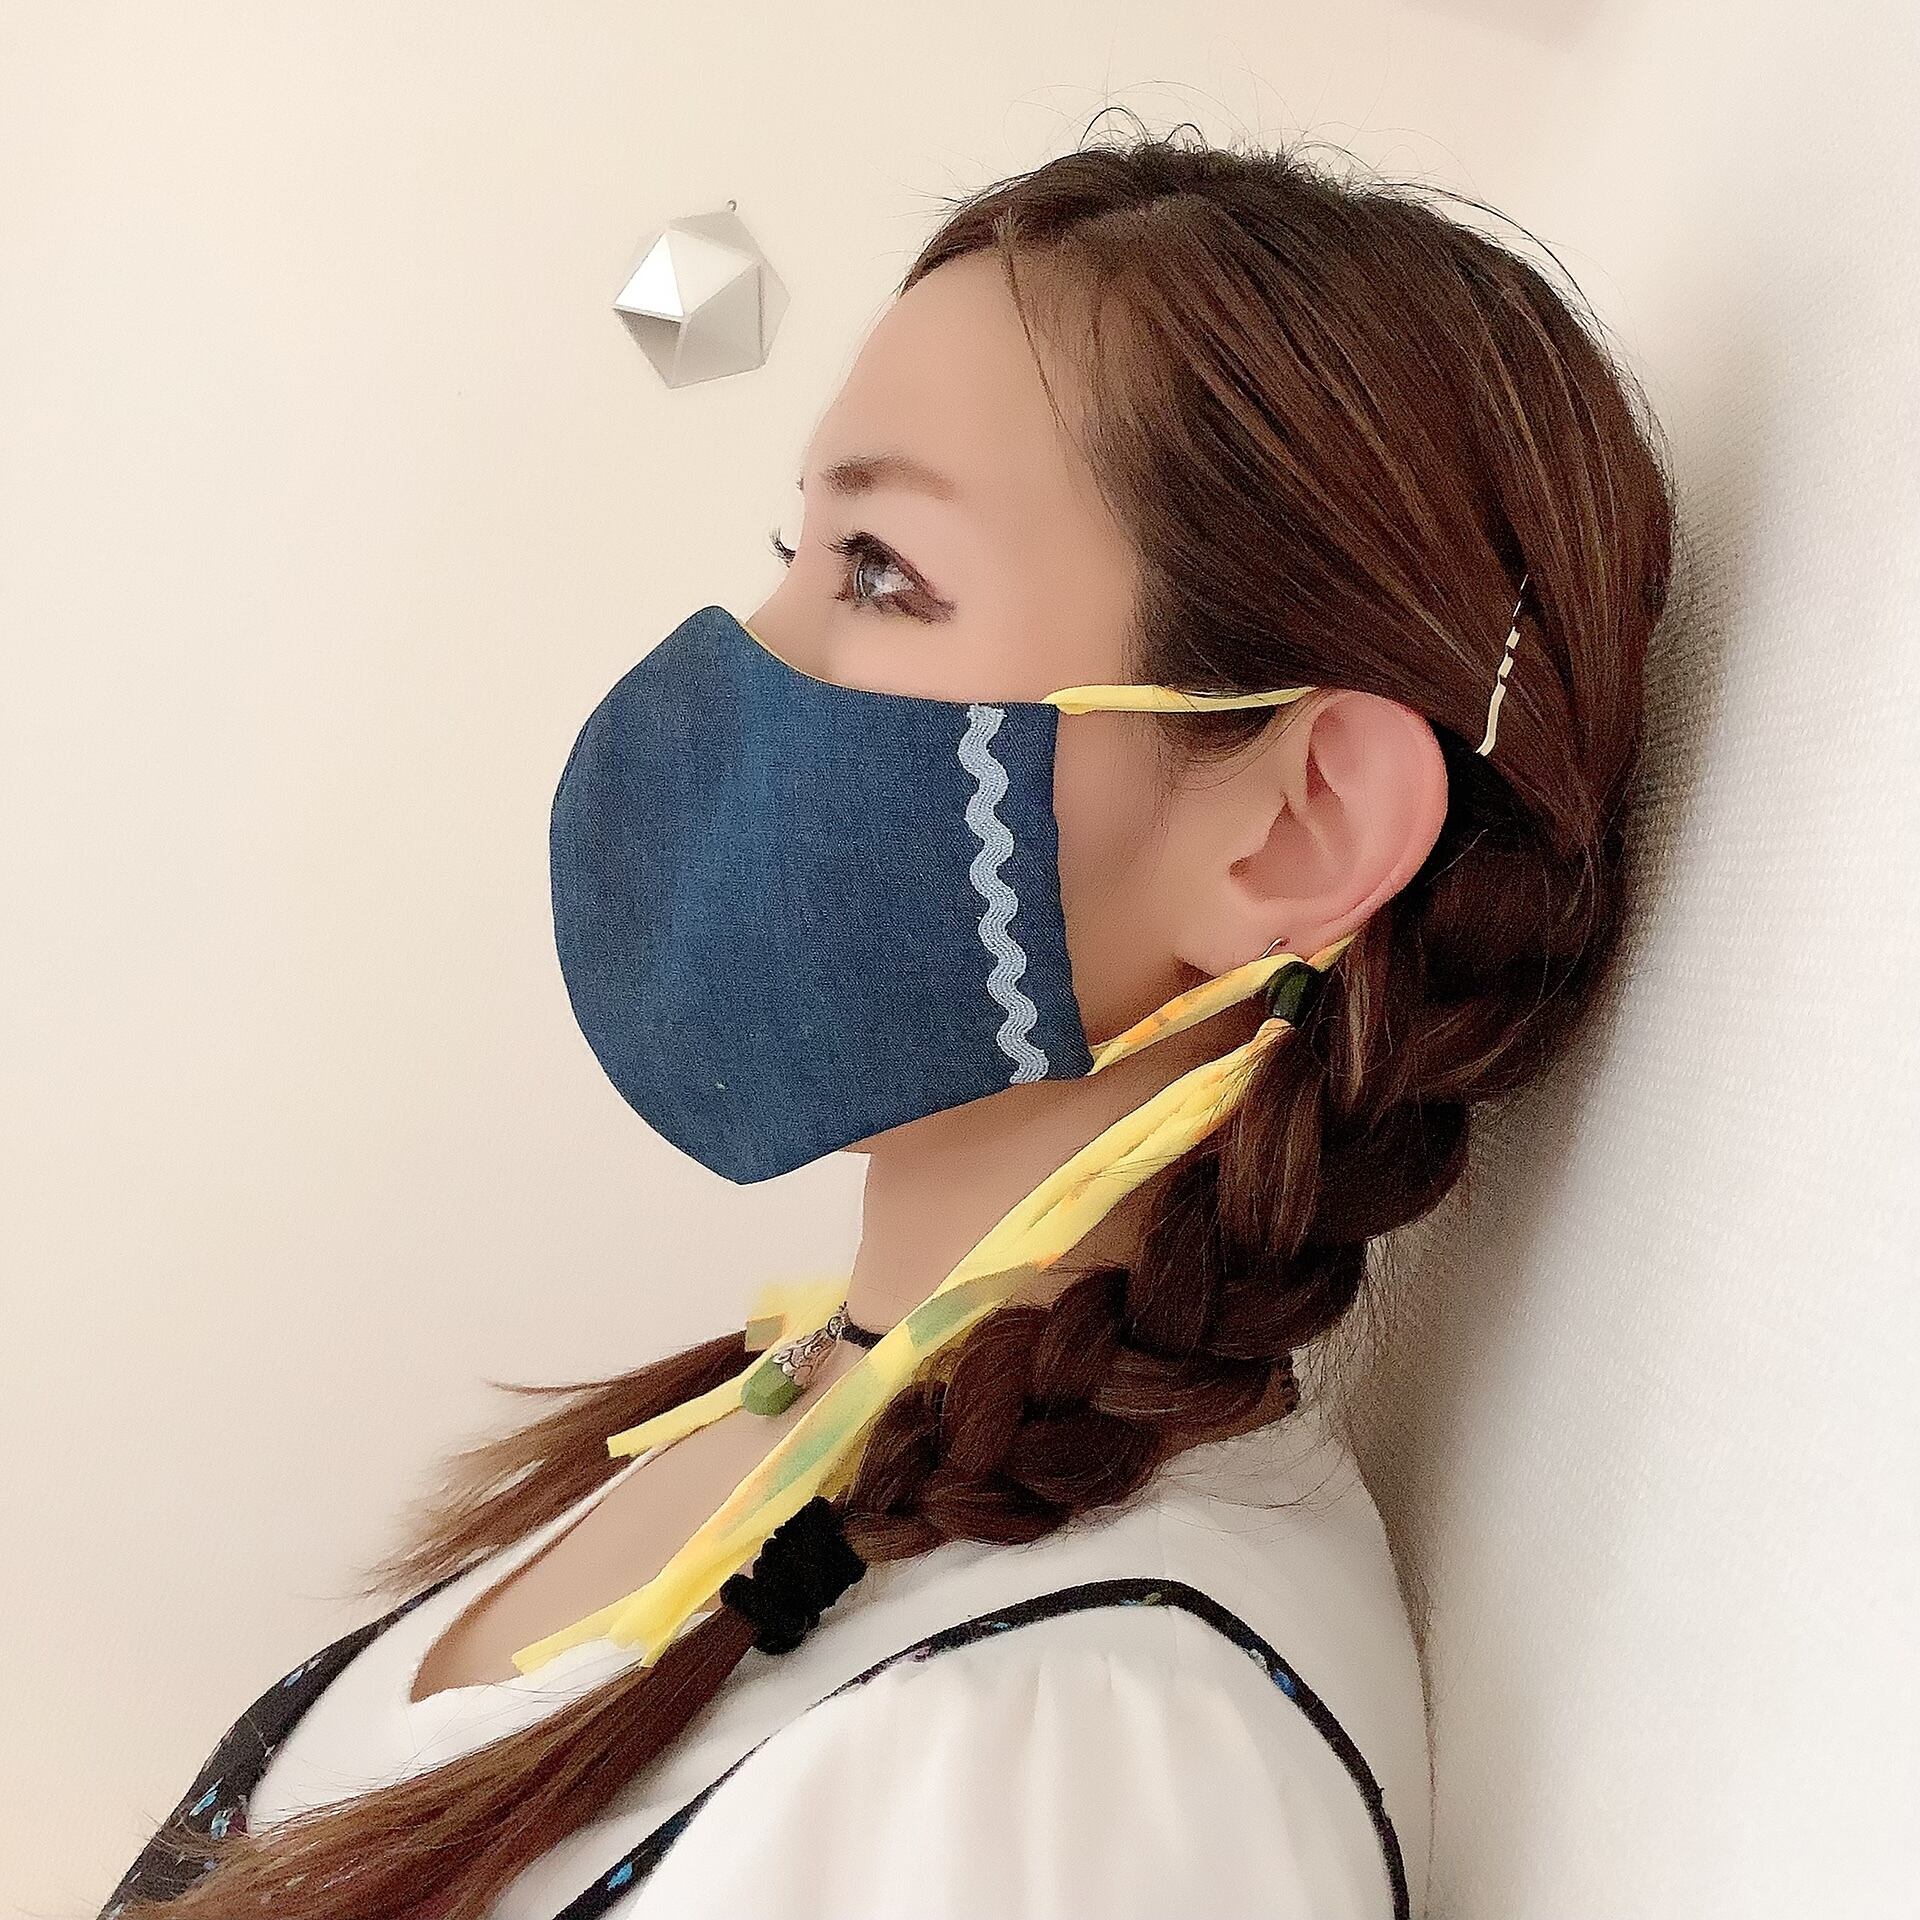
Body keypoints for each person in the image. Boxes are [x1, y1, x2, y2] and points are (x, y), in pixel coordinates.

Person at [100, 121, 1674, 1920]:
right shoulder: (795, 1412)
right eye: (797, 547)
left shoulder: (1086, 1768)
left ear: (1300, 825)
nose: (731, 671)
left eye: (877, 571)